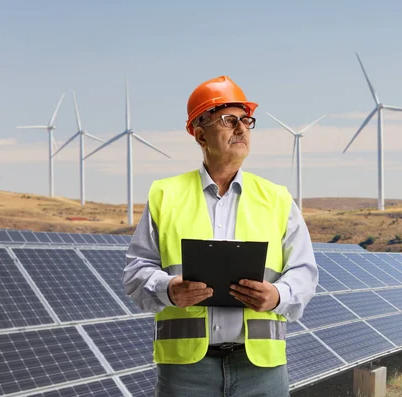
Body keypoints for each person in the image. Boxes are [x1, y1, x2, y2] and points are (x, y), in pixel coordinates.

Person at [123, 75, 318, 397]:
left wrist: (278, 296)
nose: (241, 129)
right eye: (229, 120)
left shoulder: (277, 198)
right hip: (185, 371)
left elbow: (305, 272)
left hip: (261, 369)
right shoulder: (165, 195)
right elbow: (135, 273)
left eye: (246, 121)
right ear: (200, 134)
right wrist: (169, 289)